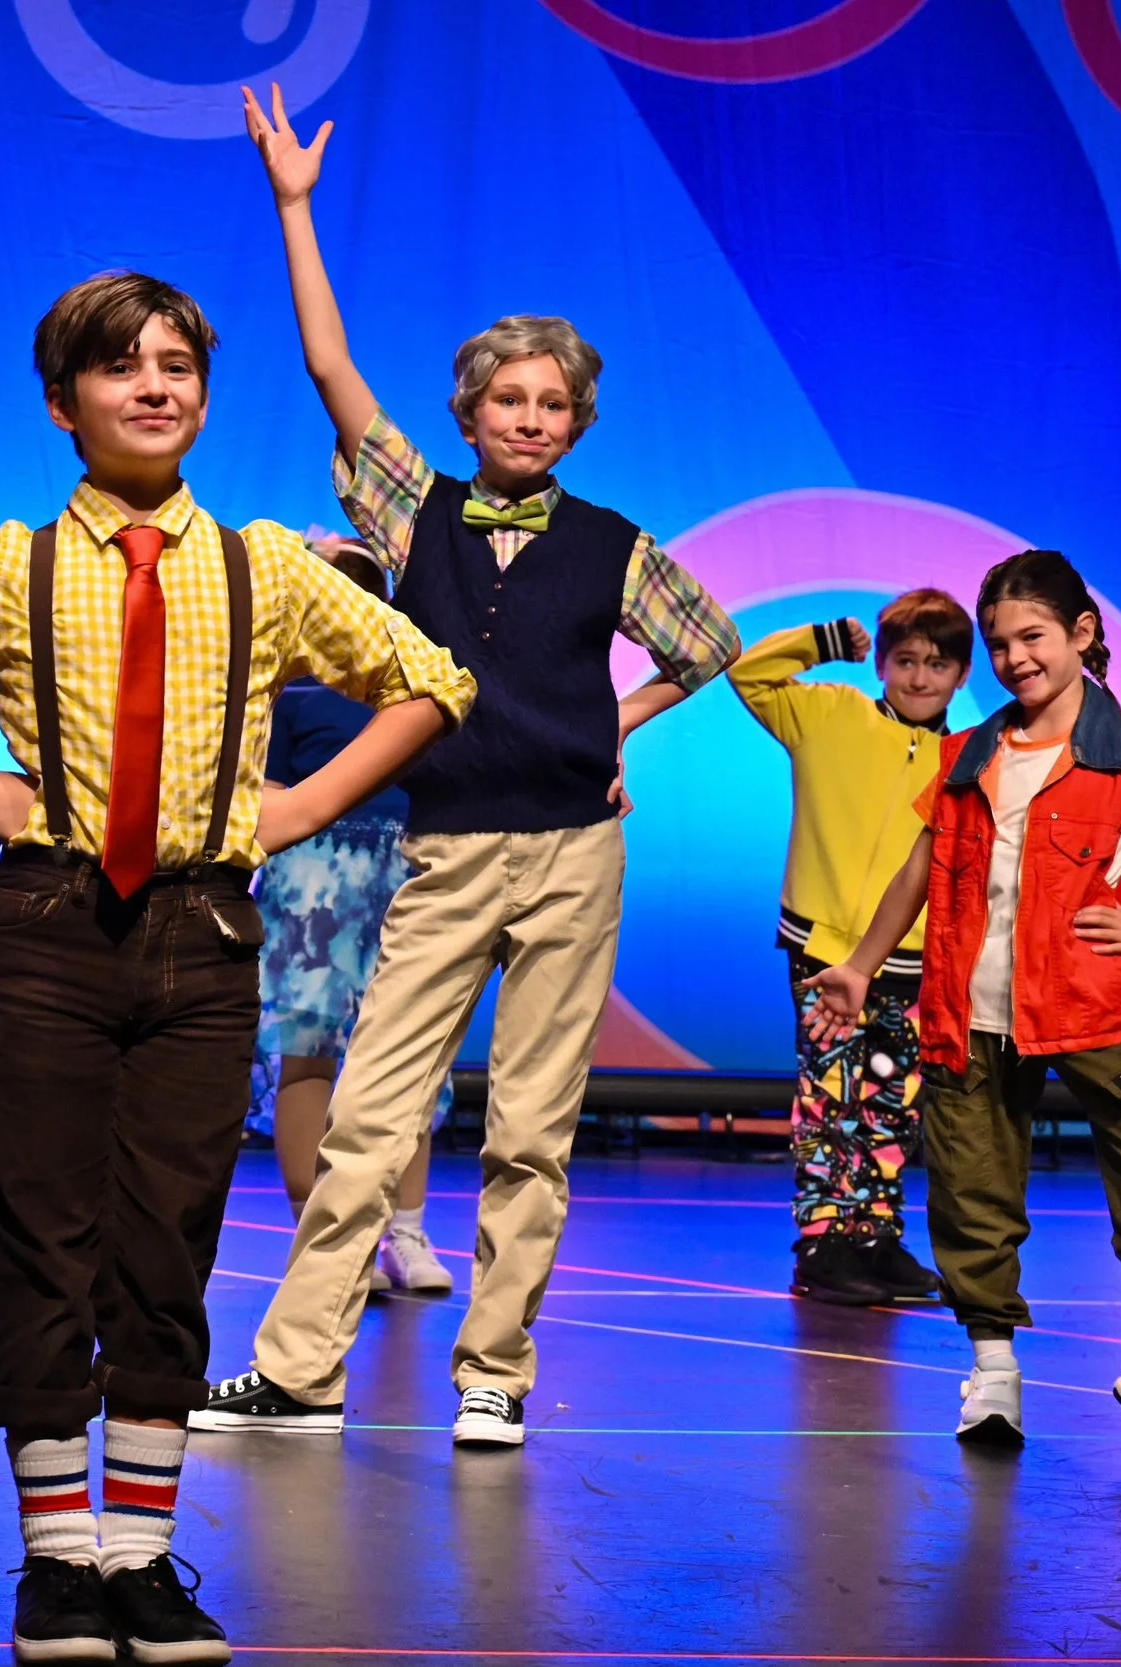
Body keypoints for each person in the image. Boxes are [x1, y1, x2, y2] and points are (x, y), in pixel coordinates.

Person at [0, 272, 472, 1664]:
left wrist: (297, 806)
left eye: (177, 366)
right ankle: (56, 1555)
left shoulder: (265, 564)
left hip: (205, 934)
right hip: (49, 929)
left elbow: (435, 681)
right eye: (122, 368)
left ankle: (145, 1553)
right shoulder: (6, 565)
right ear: (63, 403)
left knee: (168, 1242)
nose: (154, 386)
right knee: (43, 1235)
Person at [194, 84, 740, 1450]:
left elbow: (711, 642)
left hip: (569, 851)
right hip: (439, 852)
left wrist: (616, 727)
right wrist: (295, 208)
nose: (533, 416)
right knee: (371, 1118)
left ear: (579, 420)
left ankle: (494, 1371)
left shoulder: (610, 539)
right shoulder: (410, 506)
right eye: (511, 396)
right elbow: (331, 370)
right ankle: (300, 1370)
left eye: (556, 402)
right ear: (472, 407)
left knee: (532, 1133)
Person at [805, 550, 1121, 1452]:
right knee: (973, 1194)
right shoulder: (972, 752)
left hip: (1101, 1005)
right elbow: (919, 868)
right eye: (1001, 643)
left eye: (1034, 637)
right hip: (971, 1009)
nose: (1015, 658)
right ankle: (994, 1373)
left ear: (1082, 635)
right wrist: (858, 965)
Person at [729, 592, 973, 1306]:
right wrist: (823, 637)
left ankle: (875, 1235)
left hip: (912, 959)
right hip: (825, 950)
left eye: (938, 664)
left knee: (892, 1101)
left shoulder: (965, 758)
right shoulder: (831, 713)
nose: (920, 678)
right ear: (885, 664)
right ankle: (824, 1242)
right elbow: (747, 673)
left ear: (961, 674)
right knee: (829, 1094)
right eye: (906, 661)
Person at [255, 529, 451, 1295]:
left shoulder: (417, 681)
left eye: (364, 581)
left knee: (411, 1049)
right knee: (306, 1049)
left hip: (409, 871)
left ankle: (404, 1228)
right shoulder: (286, 684)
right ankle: (325, 1235)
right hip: (314, 877)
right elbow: (258, 787)